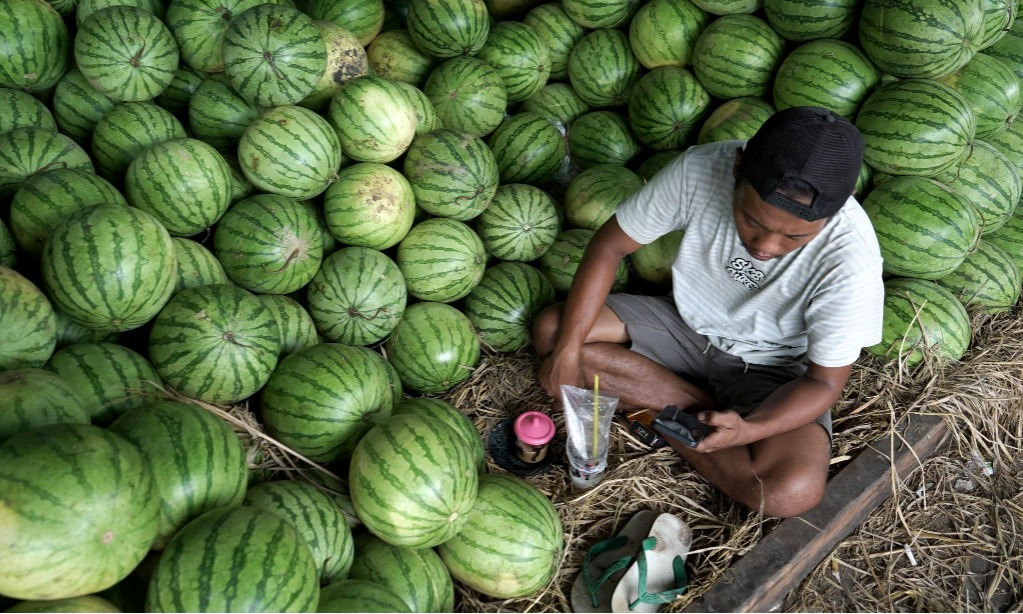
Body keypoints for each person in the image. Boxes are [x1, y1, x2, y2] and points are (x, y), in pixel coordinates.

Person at [532, 106, 884, 518]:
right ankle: (689, 403)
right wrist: (569, 351)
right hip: (686, 326)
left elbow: (823, 384)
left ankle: (659, 403)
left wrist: (750, 430)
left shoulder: (851, 256)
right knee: (556, 332)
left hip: (772, 368)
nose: (767, 246)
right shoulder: (701, 168)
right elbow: (610, 246)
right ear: (737, 168)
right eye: (753, 221)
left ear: (836, 212)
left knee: (789, 492)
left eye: (794, 236)